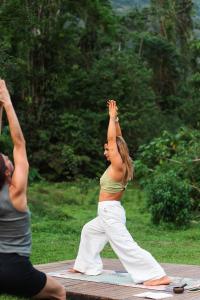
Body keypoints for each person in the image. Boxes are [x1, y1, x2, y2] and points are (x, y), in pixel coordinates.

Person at [70, 100, 171, 286]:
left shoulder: (118, 166)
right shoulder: (122, 163)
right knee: (89, 231)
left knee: (126, 246)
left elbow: (112, 141)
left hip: (110, 213)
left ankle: (157, 275)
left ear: (115, 151)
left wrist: (110, 117)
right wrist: (116, 121)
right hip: (108, 212)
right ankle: (86, 266)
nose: (105, 152)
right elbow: (118, 139)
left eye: (107, 149)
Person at [0, 80, 66, 299]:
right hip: (15, 268)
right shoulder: (15, 192)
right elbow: (19, 144)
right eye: (6, 159)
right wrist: (8, 102)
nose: (8, 156)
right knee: (58, 293)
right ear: (8, 172)